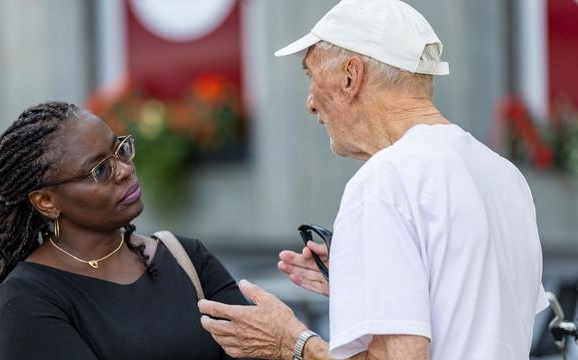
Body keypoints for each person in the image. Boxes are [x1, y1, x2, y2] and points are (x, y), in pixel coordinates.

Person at [198, 0, 548, 359]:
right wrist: (367, 286)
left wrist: (291, 342)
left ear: (351, 76)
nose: (310, 103)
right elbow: (473, 315)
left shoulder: (385, 180)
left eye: (310, 76)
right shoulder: (504, 174)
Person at [0, 101, 249, 359]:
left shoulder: (188, 258)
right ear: (47, 202)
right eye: (99, 170)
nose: (125, 170)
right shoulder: (27, 300)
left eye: (120, 150)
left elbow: (258, 351)